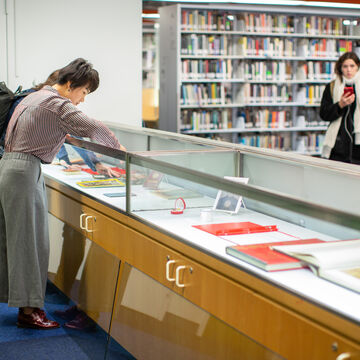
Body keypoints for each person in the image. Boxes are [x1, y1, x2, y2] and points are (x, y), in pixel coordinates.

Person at [0, 58, 125, 329]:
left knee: (26, 242)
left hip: (15, 168)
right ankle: (30, 312)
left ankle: (27, 305)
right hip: (23, 172)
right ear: (70, 86)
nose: (81, 100)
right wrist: (123, 153)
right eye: (83, 92)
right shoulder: (57, 102)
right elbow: (93, 127)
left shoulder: (36, 97)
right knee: (30, 244)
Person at [0, 71, 121, 178]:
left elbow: (66, 132)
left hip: (12, 165)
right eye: (83, 92)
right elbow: (90, 127)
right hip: (17, 167)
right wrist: (117, 148)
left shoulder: (32, 99)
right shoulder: (46, 102)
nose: (81, 100)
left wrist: (95, 163)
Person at [320, 51, 360, 164]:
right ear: (340, 68)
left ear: (358, 67)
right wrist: (340, 105)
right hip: (338, 145)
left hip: (358, 144)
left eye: (352, 66)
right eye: (345, 66)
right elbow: (323, 114)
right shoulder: (332, 87)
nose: (349, 70)